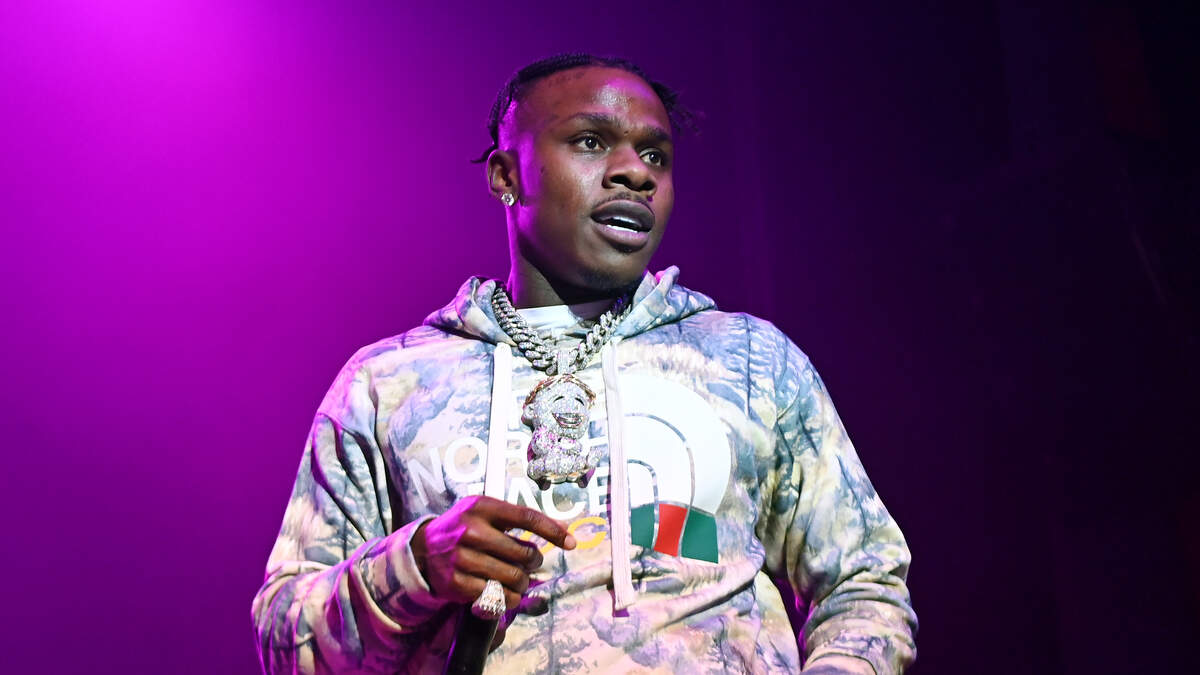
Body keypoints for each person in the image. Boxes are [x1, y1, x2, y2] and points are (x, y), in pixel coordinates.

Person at [252, 53, 917, 674]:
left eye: (654, 154)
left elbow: (866, 584)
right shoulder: (388, 383)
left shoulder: (751, 361)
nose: (636, 172)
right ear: (506, 176)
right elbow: (286, 639)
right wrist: (414, 566)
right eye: (592, 141)